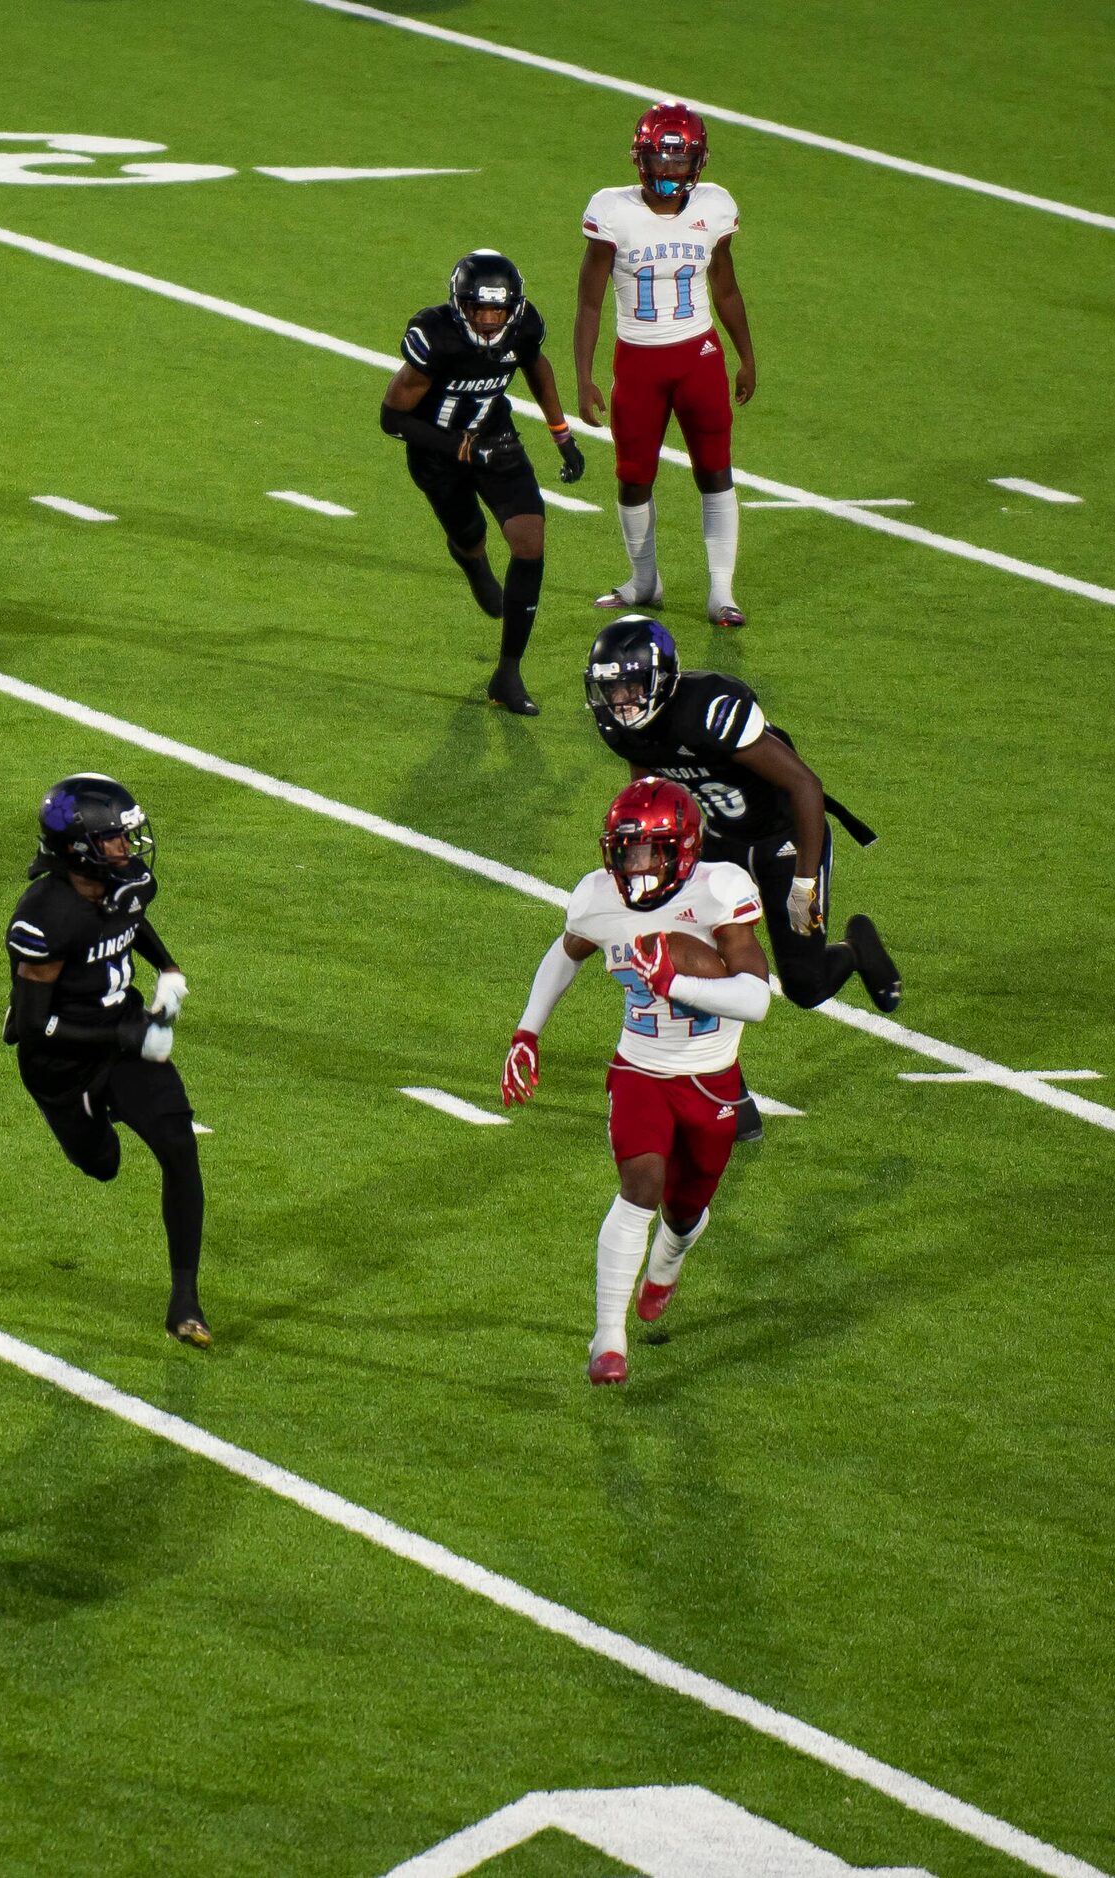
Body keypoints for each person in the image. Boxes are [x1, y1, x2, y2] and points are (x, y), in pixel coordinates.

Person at [499, 780, 771, 1384]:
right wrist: (527, 1031)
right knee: (639, 1187)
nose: (634, 865)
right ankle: (608, 1338)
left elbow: (755, 999)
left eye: (648, 851)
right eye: (625, 850)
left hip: (710, 1076)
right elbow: (566, 952)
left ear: (683, 849)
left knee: (684, 1211)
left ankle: (666, 1265)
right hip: (640, 1067)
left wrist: (674, 981)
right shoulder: (598, 898)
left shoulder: (716, 890)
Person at [584, 615, 898, 1136]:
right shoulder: (621, 727)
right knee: (705, 963)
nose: (622, 699)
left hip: (785, 836)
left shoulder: (710, 709)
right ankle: (731, 1091)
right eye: (611, 686)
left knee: (804, 986)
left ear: (661, 678)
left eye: (632, 684)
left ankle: (856, 948)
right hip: (718, 840)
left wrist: (804, 883)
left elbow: (805, 786)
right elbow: (650, 790)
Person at [4, 774, 209, 1345]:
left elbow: (130, 917)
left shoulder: (122, 881)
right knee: (102, 1164)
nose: (126, 847)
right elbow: (35, 1028)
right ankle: (97, 1107)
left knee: (179, 1146)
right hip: (59, 1060)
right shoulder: (46, 914)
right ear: (76, 848)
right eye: (114, 839)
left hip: (121, 1028)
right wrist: (131, 1039)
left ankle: (185, 1300)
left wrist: (167, 967)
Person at [574, 102, 757, 627]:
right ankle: (645, 581)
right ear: (641, 158)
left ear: (697, 163)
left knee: (715, 471)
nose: (671, 172)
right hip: (637, 360)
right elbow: (589, 301)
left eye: (681, 162)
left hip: (698, 356)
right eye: (662, 159)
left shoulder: (716, 208)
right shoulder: (612, 211)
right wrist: (584, 375)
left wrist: (745, 355)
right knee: (633, 476)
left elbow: (724, 285)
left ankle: (721, 592)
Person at [378, 249, 583, 715]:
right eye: (480, 309)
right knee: (469, 536)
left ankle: (508, 672)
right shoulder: (436, 336)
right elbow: (391, 416)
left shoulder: (525, 325)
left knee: (530, 539)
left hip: (495, 436)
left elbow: (535, 363)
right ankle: (472, 562)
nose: (490, 321)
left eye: (499, 310)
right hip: (438, 452)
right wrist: (463, 450)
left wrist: (561, 435)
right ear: (460, 305)